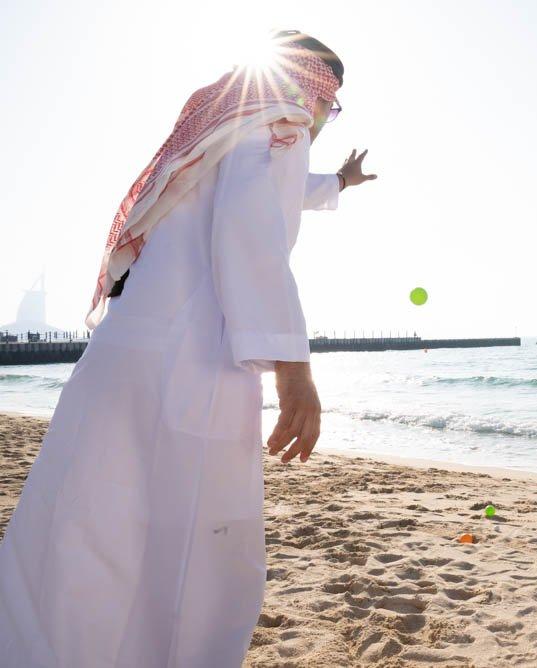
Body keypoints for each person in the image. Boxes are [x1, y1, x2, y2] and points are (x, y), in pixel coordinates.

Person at [0, 31, 376, 666]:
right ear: (314, 89)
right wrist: (295, 370)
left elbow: (258, 189)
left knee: (87, 522)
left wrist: (336, 181)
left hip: (123, 352)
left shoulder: (224, 126)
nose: (322, 119)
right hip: (192, 359)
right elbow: (252, 228)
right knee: (197, 546)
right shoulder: (280, 118)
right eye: (329, 106)